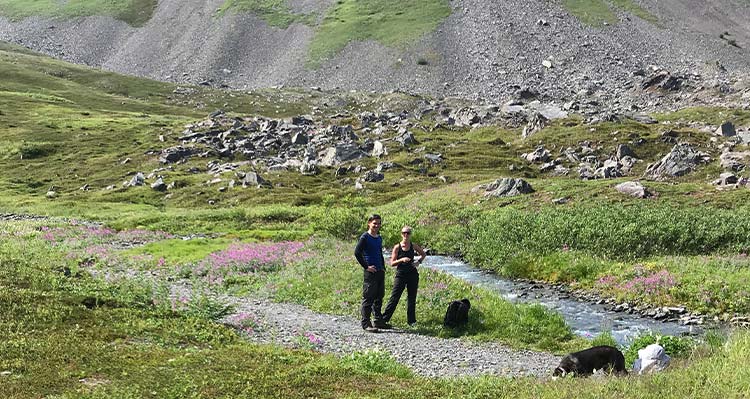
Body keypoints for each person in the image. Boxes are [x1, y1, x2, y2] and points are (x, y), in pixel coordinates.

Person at [382, 225, 426, 327]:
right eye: (404, 233)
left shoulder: (413, 245)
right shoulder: (397, 247)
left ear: (410, 234)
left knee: (412, 298)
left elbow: (423, 254)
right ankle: (384, 319)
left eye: (408, 233)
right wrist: (402, 260)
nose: (406, 235)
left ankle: (411, 321)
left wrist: (418, 262)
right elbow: (392, 263)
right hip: (401, 274)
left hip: (412, 274)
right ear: (401, 234)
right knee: (394, 297)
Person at [354, 214, 389, 331]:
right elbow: (357, 253)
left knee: (379, 296)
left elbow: (379, 253)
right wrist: (366, 266)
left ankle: (378, 321)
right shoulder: (364, 237)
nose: (377, 225)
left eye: (379, 223)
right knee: (368, 297)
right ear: (369, 223)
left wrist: (383, 267)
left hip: (380, 270)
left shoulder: (379, 238)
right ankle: (366, 323)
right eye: (375, 223)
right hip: (370, 272)